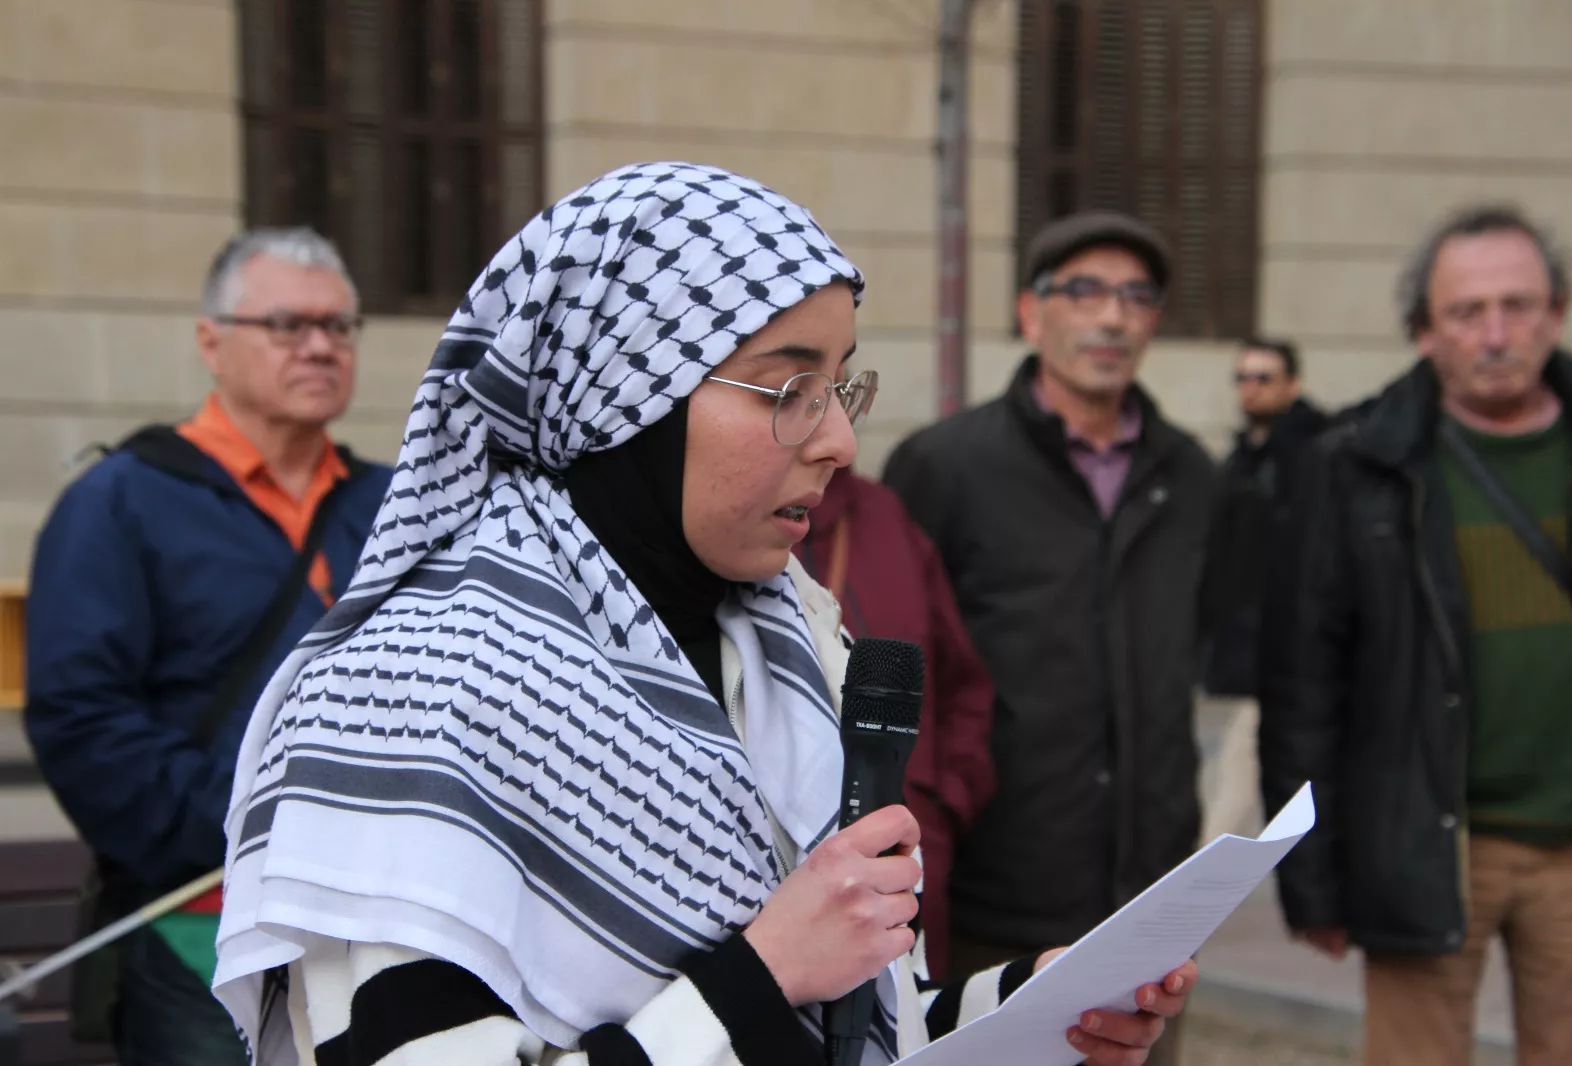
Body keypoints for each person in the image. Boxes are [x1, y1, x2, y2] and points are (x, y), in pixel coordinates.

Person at [211, 163, 1195, 1066]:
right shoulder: (415, 688)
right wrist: (760, 977)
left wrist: (1020, 1006)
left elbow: (842, 1018)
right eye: (787, 388)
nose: (841, 441)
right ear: (624, 394)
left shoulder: (784, 641)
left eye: (841, 384)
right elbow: (772, 986)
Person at [24, 228, 392, 1065]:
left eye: (339, 328)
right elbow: (82, 717)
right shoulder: (120, 502)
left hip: (379, 921)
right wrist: (250, 830)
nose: (319, 347)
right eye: (287, 324)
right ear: (210, 341)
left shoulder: (395, 504)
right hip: (206, 923)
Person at [1260, 203, 1572, 1066]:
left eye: (1518, 306)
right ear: (1424, 331)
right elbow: (1304, 683)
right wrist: (1311, 877)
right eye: (1466, 311)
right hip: (1423, 836)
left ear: (1557, 313)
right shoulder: (1354, 464)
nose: (1496, 333)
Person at [883, 210, 1217, 1066]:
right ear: (1032, 315)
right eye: (1085, 291)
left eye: (1137, 297)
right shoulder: (945, 466)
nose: (1112, 317)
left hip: (1147, 892)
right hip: (1001, 886)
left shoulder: (1189, 475)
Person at [794, 466, 996, 979]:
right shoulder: (718, 539)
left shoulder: (883, 517)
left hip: (911, 858)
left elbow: (961, 685)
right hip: (785, 890)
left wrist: (940, 807)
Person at [1203, 338, 1328, 698]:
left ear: (1292, 385)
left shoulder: (1315, 454)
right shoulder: (1239, 458)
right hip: (1237, 651)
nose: (1250, 388)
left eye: (1263, 378)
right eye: (1242, 378)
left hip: (1293, 655)